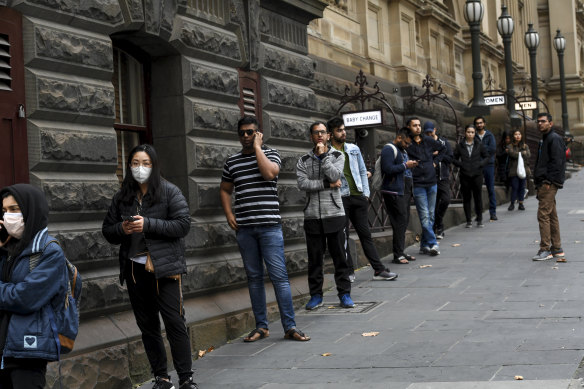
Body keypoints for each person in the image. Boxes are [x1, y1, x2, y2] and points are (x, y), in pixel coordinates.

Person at [102, 144, 198, 389]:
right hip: (134, 269)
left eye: (145, 163)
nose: (140, 168)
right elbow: (107, 230)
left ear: (154, 166)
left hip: (164, 268)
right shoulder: (123, 195)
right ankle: (162, 378)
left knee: (174, 322)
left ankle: (186, 378)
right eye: (135, 163)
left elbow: (183, 225)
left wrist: (149, 224)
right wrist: (121, 229)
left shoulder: (169, 191)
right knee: (148, 326)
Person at [220, 116, 310, 342]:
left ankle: (290, 326)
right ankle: (262, 327)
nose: (246, 137)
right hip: (245, 230)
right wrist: (229, 214)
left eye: (250, 132)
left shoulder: (270, 154)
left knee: (279, 277)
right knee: (254, 278)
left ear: (258, 134)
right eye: (242, 133)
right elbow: (224, 189)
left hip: (269, 227)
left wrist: (258, 148)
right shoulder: (232, 162)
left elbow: (269, 174)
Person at [0, 184, 68, 388]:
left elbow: (24, 298)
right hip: (4, 345)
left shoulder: (49, 251)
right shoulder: (8, 248)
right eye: (4, 211)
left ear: (31, 210)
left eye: (14, 209)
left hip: (28, 350)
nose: (8, 216)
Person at [327, 116, 397, 281]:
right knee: (342, 236)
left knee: (365, 234)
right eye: (339, 130)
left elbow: (362, 171)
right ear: (331, 134)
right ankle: (348, 271)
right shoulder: (327, 153)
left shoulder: (353, 148)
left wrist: (365, 194)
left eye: (344, 129)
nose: (344, 132)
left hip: (358, 197)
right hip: (340, 198)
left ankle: (379, 270)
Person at [297, 121, 354, 310]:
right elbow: (303, 184)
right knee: (315, 260)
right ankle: (315, 295)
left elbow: (335, 176)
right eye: (316, 132)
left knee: (340, 257)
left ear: (328, 135)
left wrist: (323, 158)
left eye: (323, 132)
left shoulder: (338, 155)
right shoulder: (303, 160)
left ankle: (344, 294)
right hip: (312, 215)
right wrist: (327, 185)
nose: (320, 135)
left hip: (335, 213)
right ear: (311, 136)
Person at [405, 117, 445, 256]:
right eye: (414, 125)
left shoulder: (428, 141)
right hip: (418, 184)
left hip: (431, 182)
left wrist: (435, 162)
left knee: (431, 215)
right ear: (409, 127)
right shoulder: (407, 143)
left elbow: (443, 149)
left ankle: (424, 244)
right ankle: (433, 243)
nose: (417, 128)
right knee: (425, 216)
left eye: (419, 125)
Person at [531, 113, 566, 262]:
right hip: (545, 182)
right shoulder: (545, 139)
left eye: (543, 122)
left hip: (548, 183)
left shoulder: (553, 139)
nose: (540, 124)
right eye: (538, 122)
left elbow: (557, 162)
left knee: (543, 215)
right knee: (551, 215)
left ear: (550, 123)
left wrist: (548, 181)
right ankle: (557, 248)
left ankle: (545, 249)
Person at [380, 127, 418, 264]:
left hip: (404, 190)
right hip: (393, 191)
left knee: (404, 221)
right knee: (399, 222)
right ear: (400, 137)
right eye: (406, 143)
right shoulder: (389, 149)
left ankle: (401, 252)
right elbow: (388, 169)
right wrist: (405, 166)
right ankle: (397, 255)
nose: (407, 146)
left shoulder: (402, 150)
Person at [452, 124, 489, 228]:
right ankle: (468, 220)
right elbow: (454, 158)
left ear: (474, 134)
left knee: (478, 197)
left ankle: (479, 219)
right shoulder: (460, 146)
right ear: (465, 133)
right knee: (467, 198)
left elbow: (487, 156)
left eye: (472, 132)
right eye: (468, 132)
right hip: (465, 175)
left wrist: (480, 164)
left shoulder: (479, 144)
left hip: (477, 175)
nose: (470, 134)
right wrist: (461, 165)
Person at [423, 121, 453, 240]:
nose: (429, 134)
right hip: (429, 177)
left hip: (442, 177)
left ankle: (439, 221)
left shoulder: (443, 142)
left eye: (431, 131)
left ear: (435, 130)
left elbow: (450, 158)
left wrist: (437, 154)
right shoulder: (423, 143)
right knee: (433, 205)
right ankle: (438, 227)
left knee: (445, 200)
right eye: (427, 132)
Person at [474, 116, 498, 221]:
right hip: (477, 165)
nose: (479, 125)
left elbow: (492, 149)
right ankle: (479, 213)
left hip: (488, 164)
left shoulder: (489, 135)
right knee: (476, 190)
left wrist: (480, 148)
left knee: (490, 189)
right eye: (477, 123)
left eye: (481, 123)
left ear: (484, 124)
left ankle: (493, 213)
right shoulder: (473, 135)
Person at [506, 129, 531, 211]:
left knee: (522, 187)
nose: (518, 136)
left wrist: (521, 153)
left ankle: (521, 203)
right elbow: (512, 154)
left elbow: (528, 155)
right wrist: (521, 153)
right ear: (513, 136)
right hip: (514, 170)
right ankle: (512, 203)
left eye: (519, 134)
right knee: (515, 187)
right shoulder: (510, 146)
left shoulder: (525, 146)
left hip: (523, 170)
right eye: (516, 134)